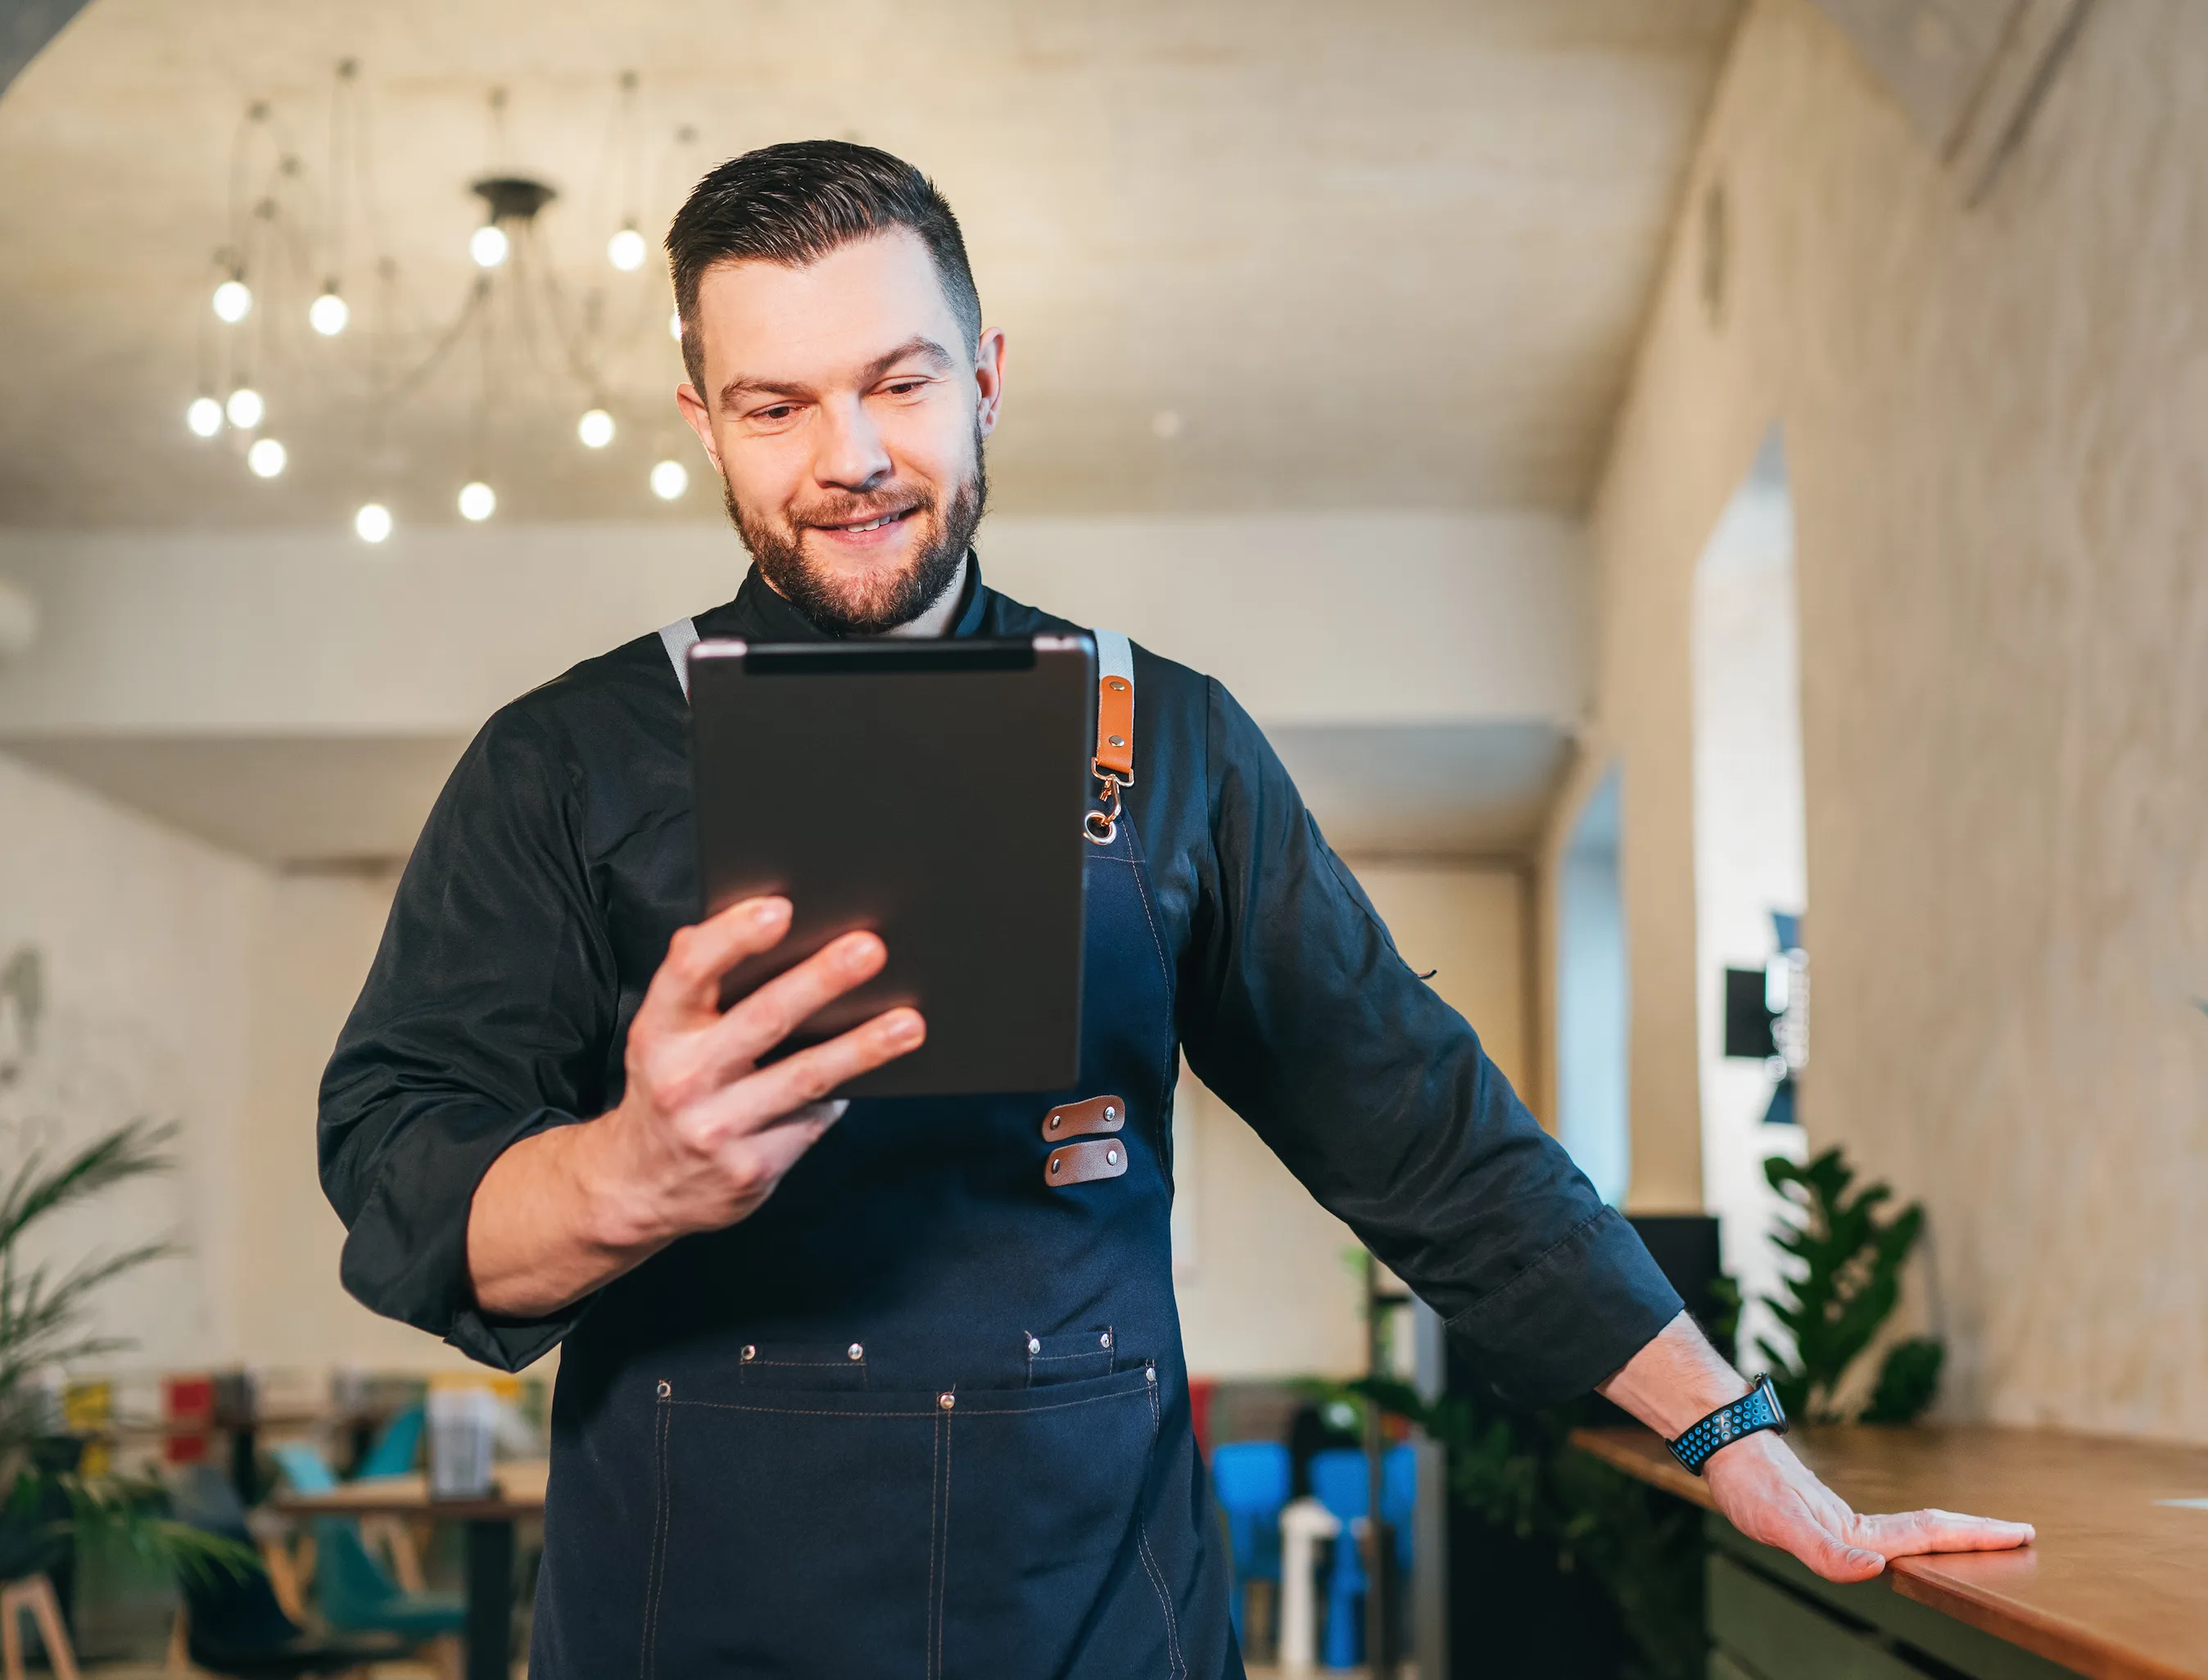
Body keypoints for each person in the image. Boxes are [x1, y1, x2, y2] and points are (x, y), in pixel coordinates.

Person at [319, 140, 2029, 1678]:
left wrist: (1735, 1428)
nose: (849, 457)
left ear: (986, 378)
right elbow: (394, 1164)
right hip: (689, 1612)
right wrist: (630, 1170)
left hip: (1093, 1612)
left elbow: (1423, 1130)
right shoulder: (558, 762)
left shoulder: (1177, 739)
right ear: (702, 421)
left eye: (898, 383)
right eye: (775, 406)